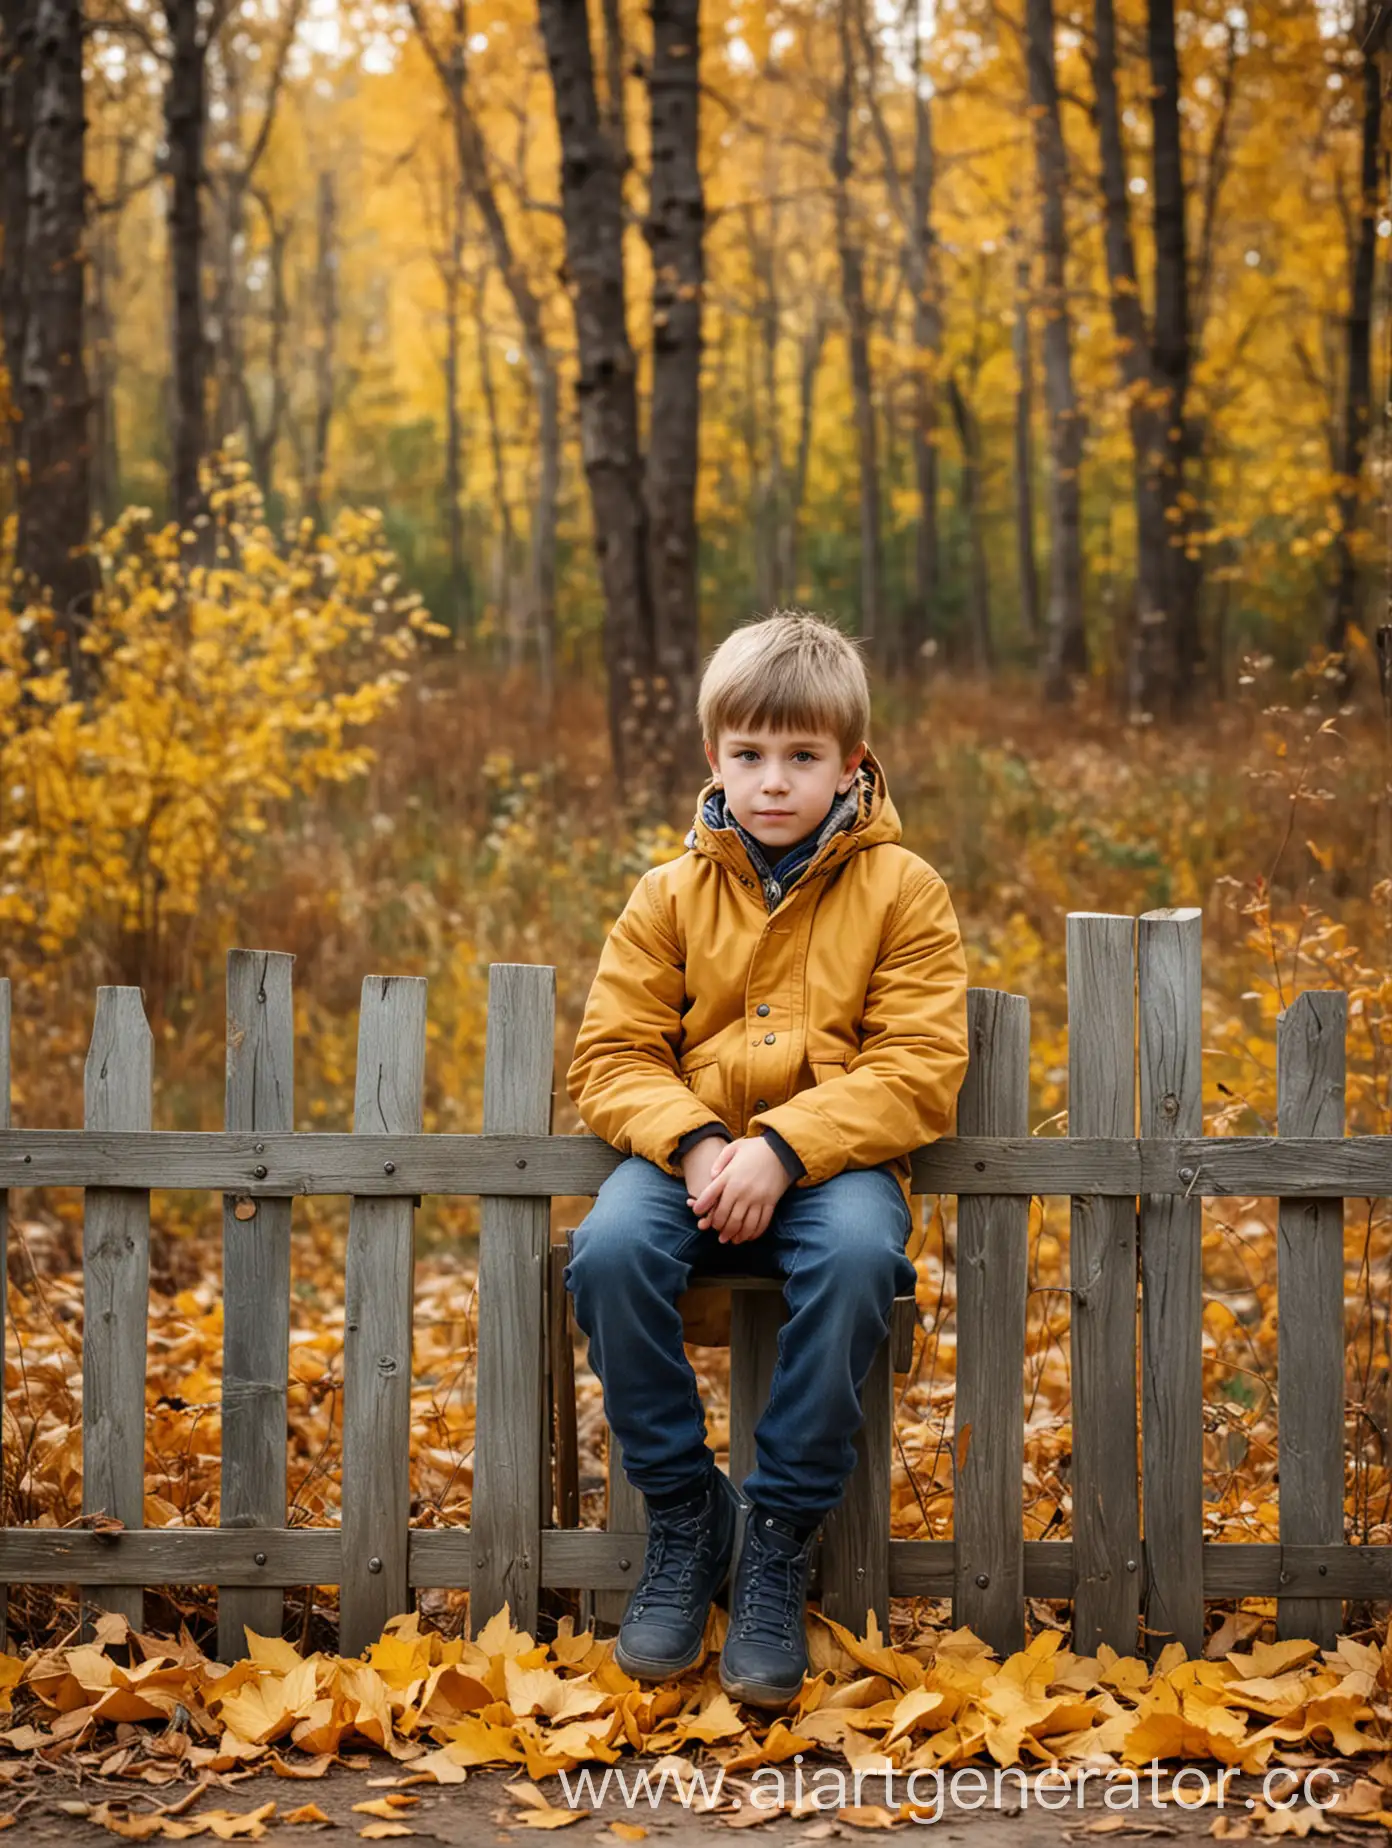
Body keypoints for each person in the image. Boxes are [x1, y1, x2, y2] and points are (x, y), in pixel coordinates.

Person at [564, 611, 970, 1710]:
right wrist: (699, 1143)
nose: (774, 781)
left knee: (852, 1266)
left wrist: (786, 1147)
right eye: (749, 755)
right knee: (603, 1253)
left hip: (837, 1163)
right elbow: (611, 1054)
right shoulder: (669, 893)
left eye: (802, 757)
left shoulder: (903, 891)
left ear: (853, 763)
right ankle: (690, 1514)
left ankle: (779, 1536)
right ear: (714, 759)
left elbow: (921, 1064)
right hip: (684, 1154)